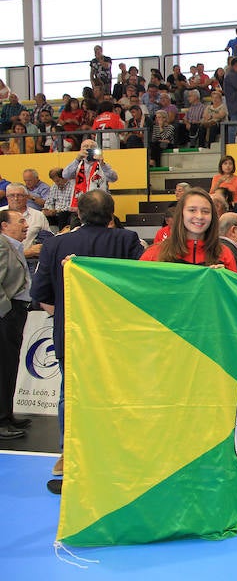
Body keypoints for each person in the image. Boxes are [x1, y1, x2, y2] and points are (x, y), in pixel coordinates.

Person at [31, 190, 144, 488]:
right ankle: (117, 455)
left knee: (70, 395)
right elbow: (142, 285)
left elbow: (40, 295)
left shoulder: (55, 244)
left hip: (72, 333)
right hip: (117, 335)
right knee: (118, 394)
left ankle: (68, 454)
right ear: (111, 214)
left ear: (78, 213)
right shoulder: (127, 240)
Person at [140, 188, 237, 272]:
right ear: (181, 214)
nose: (199, 216)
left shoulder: (224, 254)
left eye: (205, 211)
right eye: (192, 210)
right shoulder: (154, 253)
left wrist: (223, 278)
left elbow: (232, 291)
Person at [0, 209, 31, 441]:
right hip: (7, 315)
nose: (26, 224)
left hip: (14, 313)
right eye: (20, 221)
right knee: (4, 367)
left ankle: (7, 414)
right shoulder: (2, 245)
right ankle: (2, 420)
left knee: (10, 366)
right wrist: (5, 312)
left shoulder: (13, 246)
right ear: (4, 226)